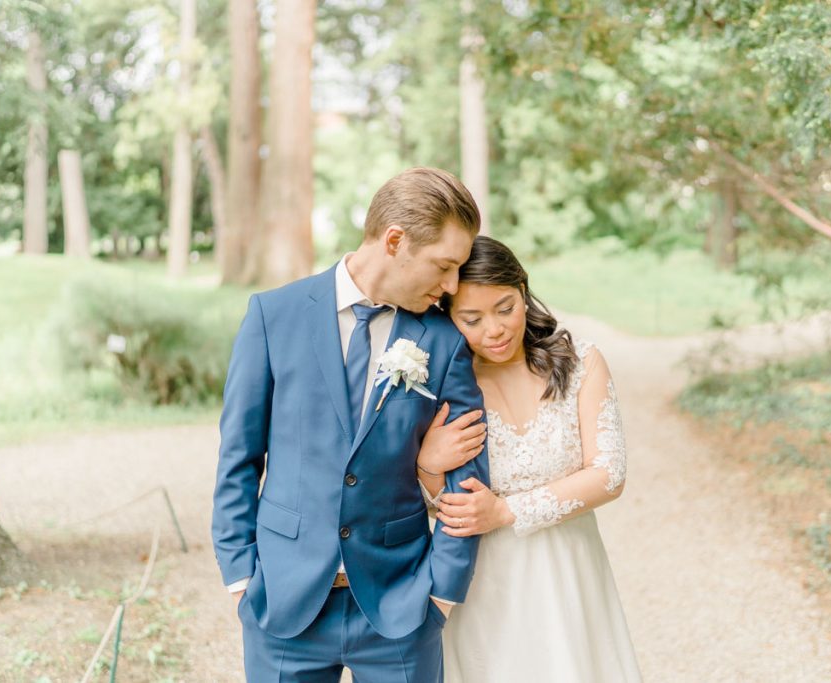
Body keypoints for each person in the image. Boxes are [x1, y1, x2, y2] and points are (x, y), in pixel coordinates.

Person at [211, 167, 490, 682]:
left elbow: (467, 480)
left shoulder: (443, 339)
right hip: (282, 606)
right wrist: (240, 577)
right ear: (395, 241)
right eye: (444, 266)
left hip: (401, 607)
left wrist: (441, 594)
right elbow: (238, 459)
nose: (452, 285)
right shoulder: (274, 316)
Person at [417, 235, 644, 682]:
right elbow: (438, 505)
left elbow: (609, 474)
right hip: (485, 581)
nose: (495, 330)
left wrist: (505, 511)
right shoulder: (442, 387)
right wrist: (428, 464)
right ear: (448, 316)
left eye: (505, 308)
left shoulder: (580, 363)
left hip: (570, 569)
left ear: (523, 291)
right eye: (472, 319)